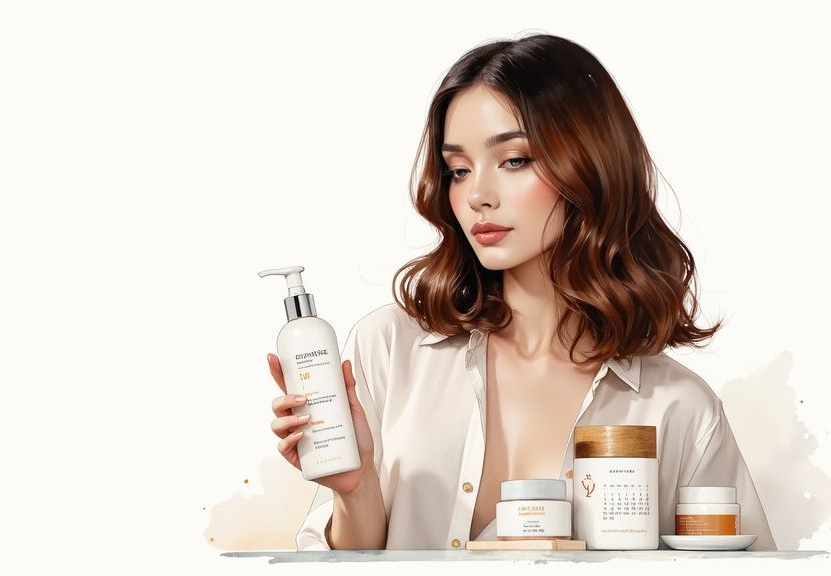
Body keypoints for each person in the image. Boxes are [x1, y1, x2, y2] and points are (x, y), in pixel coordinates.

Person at [267, 33, 776, 551]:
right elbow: (343, 560)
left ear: (591, 165)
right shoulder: (388, 349)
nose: (478, 196)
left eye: (514, 161)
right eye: (458, 171)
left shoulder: (678, 409)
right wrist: (354, 491)